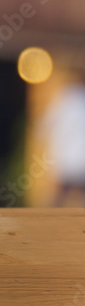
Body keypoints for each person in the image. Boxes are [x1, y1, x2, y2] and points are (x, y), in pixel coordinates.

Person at [42, 73, 85, 206]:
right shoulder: (66, 96)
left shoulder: (64, 96)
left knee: (58, 199)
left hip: (64, 161)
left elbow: (45, 125)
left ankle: (50, 224)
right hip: (76, 160)